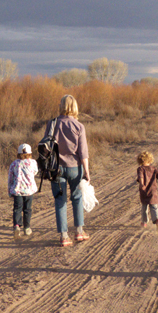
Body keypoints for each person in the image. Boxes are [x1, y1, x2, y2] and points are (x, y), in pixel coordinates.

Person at [49, 94, 91, 247]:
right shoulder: (79, 126)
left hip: (56, 168)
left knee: (60, 200)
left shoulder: (52, 124)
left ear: (61, 106)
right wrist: (87, 172)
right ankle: (79, 232)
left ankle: (64, 236)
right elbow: (83, 152)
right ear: (75, 107)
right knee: (77, 198)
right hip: (75, 167)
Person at [8, 143, 39, 240]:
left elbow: (10, 177)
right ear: (30, 153)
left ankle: (17, 226)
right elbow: (35, 172)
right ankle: (27, 228)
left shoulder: (14, 164)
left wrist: (9, 189)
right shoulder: (33, 162)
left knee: (17, 209)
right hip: (29, 191)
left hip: (17, 190)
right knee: (27, 209)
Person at [136, 151, 158, 229]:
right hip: (153, 191)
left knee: (144, 208)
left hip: (144, 191)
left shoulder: (140, 168)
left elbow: (141, 177)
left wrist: (142, 184)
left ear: (140, 160)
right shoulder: (154, 169)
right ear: (150, 160)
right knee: (154, 207)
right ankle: (157, 221)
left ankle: (144, 223)